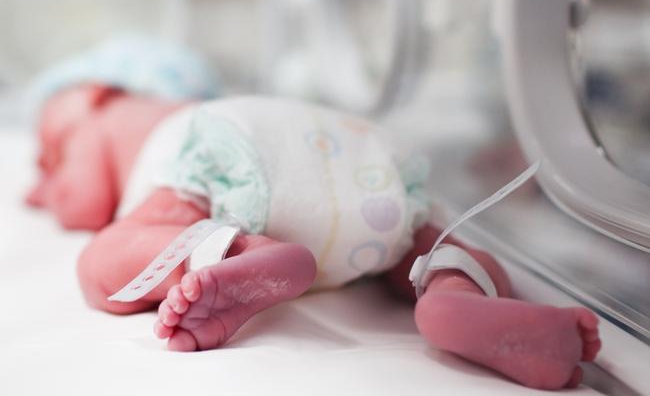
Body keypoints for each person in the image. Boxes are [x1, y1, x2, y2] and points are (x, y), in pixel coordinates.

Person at [28, 51, 600, 391]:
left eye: (52, 147)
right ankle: (461, 293)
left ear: (97, 91)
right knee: (421, 242)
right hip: (360, 154)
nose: (46, 165)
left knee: (99, 262)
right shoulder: (250, 110)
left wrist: (51, 185)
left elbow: (80, 201)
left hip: (224, 155)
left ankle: (238, 250)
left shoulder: (114, 116)